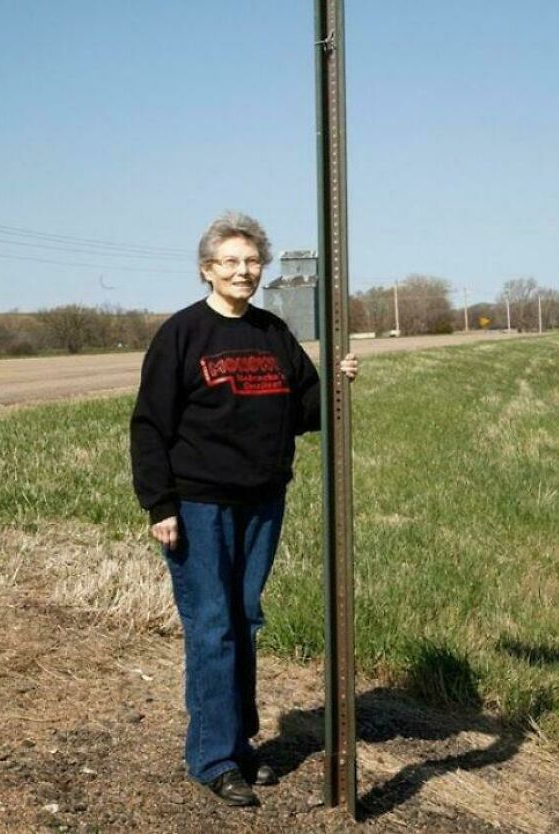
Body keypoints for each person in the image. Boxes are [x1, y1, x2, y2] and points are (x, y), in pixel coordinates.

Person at [130, 212, 358, 808]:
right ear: (207, 269)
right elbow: (150, 425)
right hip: (200, 504)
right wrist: (160, 503)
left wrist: (337, 381)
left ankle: (240, 743)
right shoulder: (182, 334)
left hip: (263, 500)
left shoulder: (272, 333)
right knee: (213, 627)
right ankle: (211, 758)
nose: (243, 270)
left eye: (252, 261)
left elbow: (306, 408)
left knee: (245, 620)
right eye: (230, 261)